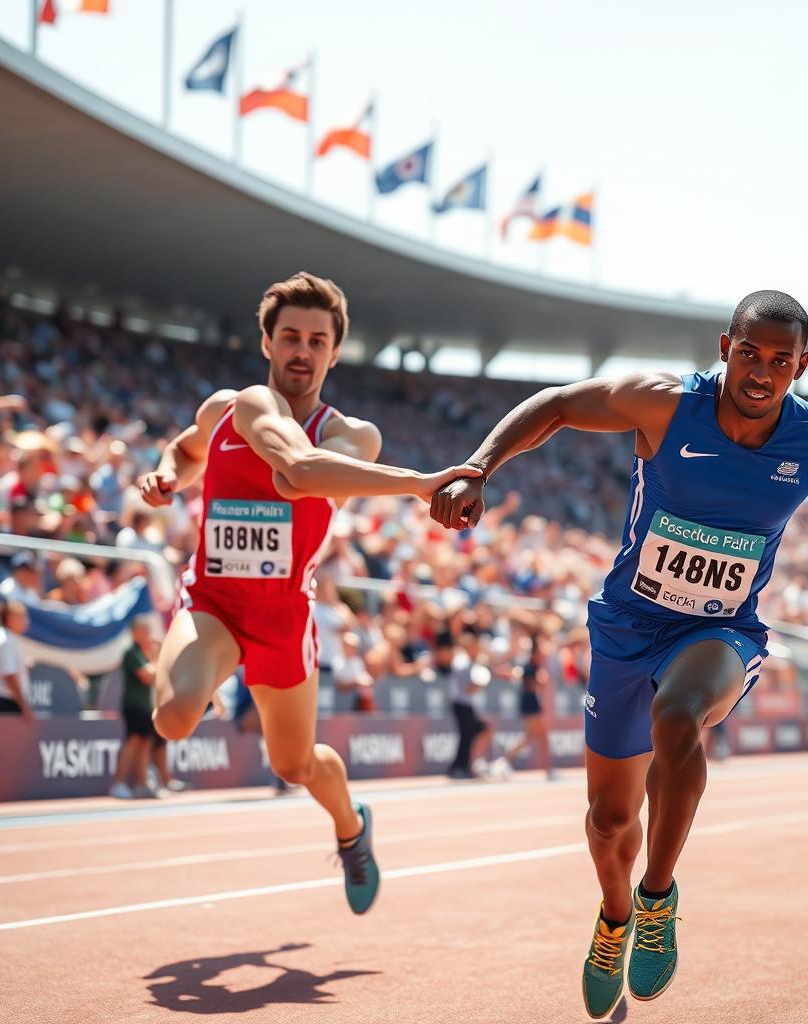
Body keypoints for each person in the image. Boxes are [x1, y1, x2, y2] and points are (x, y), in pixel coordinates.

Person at [430, 290, 808, 1017]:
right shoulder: (666, 405)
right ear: (725, 347)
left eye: (780, 361)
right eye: (749, 354)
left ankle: (657, 898)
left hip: (721, 630)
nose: (761, 373)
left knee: (678, 716)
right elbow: (560, 404)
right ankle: (614, 919)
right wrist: (479, 467)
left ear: (801, 366)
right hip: (628, 627)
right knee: (609, 821)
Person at [137, 270, 479, 915]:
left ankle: (351, 826)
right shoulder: (235, 406)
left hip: (284, 617)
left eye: (317, 341)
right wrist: (167, 475)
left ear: (334, 352)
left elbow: (300, 477)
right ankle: (207, 677)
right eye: (290, 336)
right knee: (173, 718)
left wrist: (395, 479)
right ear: (266, 343)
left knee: (293, 765)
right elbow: (189, 451)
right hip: (214, 601)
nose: (302, 350)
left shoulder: (356, 437)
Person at [110, 617, 161, 799]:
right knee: (133, 742)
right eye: (143, 630)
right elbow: (148, 676)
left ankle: (141, 784)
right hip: (133, 706)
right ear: (134, 633)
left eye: (148, 630)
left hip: (146, 706)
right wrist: (157, 659)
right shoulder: (131, 652)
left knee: (145, 744)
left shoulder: (142, 652)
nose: (148, 634)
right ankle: (118, 783)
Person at [437, 629, 493, 780]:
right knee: (466, 736)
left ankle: (463, 766)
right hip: (461, 704)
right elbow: (468, 688)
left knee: (473, 733)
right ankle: (460, 768)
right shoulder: (462, 662)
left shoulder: (467, 661)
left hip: (465, 705)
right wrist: (481, 683)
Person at [499, 632, 556, 779]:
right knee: (538, 737)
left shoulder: (535, 667)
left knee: (533, 737)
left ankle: (505, 760)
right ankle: (548, 769)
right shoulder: (529, 667)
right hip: (529, 705)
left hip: (532, 704)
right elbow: (530, 686)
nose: (543, 656)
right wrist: (539, 682)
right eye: (541, 654)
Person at [0, 599, 33, 718]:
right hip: (5, 704)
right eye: (22, 617)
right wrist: (24, 706)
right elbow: (9, 676)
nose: (27, 621)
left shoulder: (7, 638)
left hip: (7, 702)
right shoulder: (4, 640)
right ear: (10, 619)